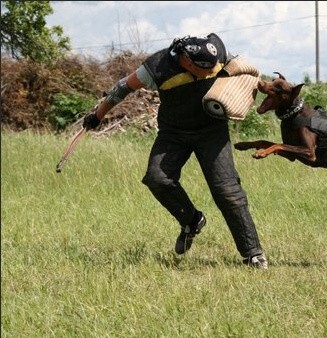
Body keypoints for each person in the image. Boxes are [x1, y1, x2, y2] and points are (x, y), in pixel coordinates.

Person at [82, 33, 268, 269]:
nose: (212, 71)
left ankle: (253, 254)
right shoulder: (156, 68)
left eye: (215, 66)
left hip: (212, 130)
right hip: (174, 133)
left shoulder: (216, 52)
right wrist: (97, 116)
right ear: (188, 62)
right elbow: (122, 88)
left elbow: (243, 69)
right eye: (206, 69)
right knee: (157, 179)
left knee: (227, 190)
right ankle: (192, 220)